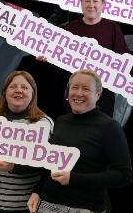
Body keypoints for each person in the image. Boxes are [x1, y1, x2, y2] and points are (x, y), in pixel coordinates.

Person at [27, 71, 132, 213]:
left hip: (83, 208)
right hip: (46, 204)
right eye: (74, 87)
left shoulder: (109, 127)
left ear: (98, 94)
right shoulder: (60, 121)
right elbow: (49, 164)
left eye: (86, 89)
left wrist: (73, 178)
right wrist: (37, 191)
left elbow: (124, 175)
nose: (78, 93)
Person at [36, 0, 130, 118]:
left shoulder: (112, 28)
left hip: (104, 93)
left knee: (102, 132)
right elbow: (57, 58)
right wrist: (46, 56)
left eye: (95, 1)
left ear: (103, 4)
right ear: (81, 4)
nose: (91, 5)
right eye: (87, 1)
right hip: (76, 91)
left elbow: (124, 60)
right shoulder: (70, 28)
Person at [0, 71, 51, 213]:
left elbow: (48, 167)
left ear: (33, 94)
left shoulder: (44, 124)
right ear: (4, 92)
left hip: (22, 206)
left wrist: (14, 166)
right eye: (13, 86)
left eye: (25, 87)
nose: (18, 90)